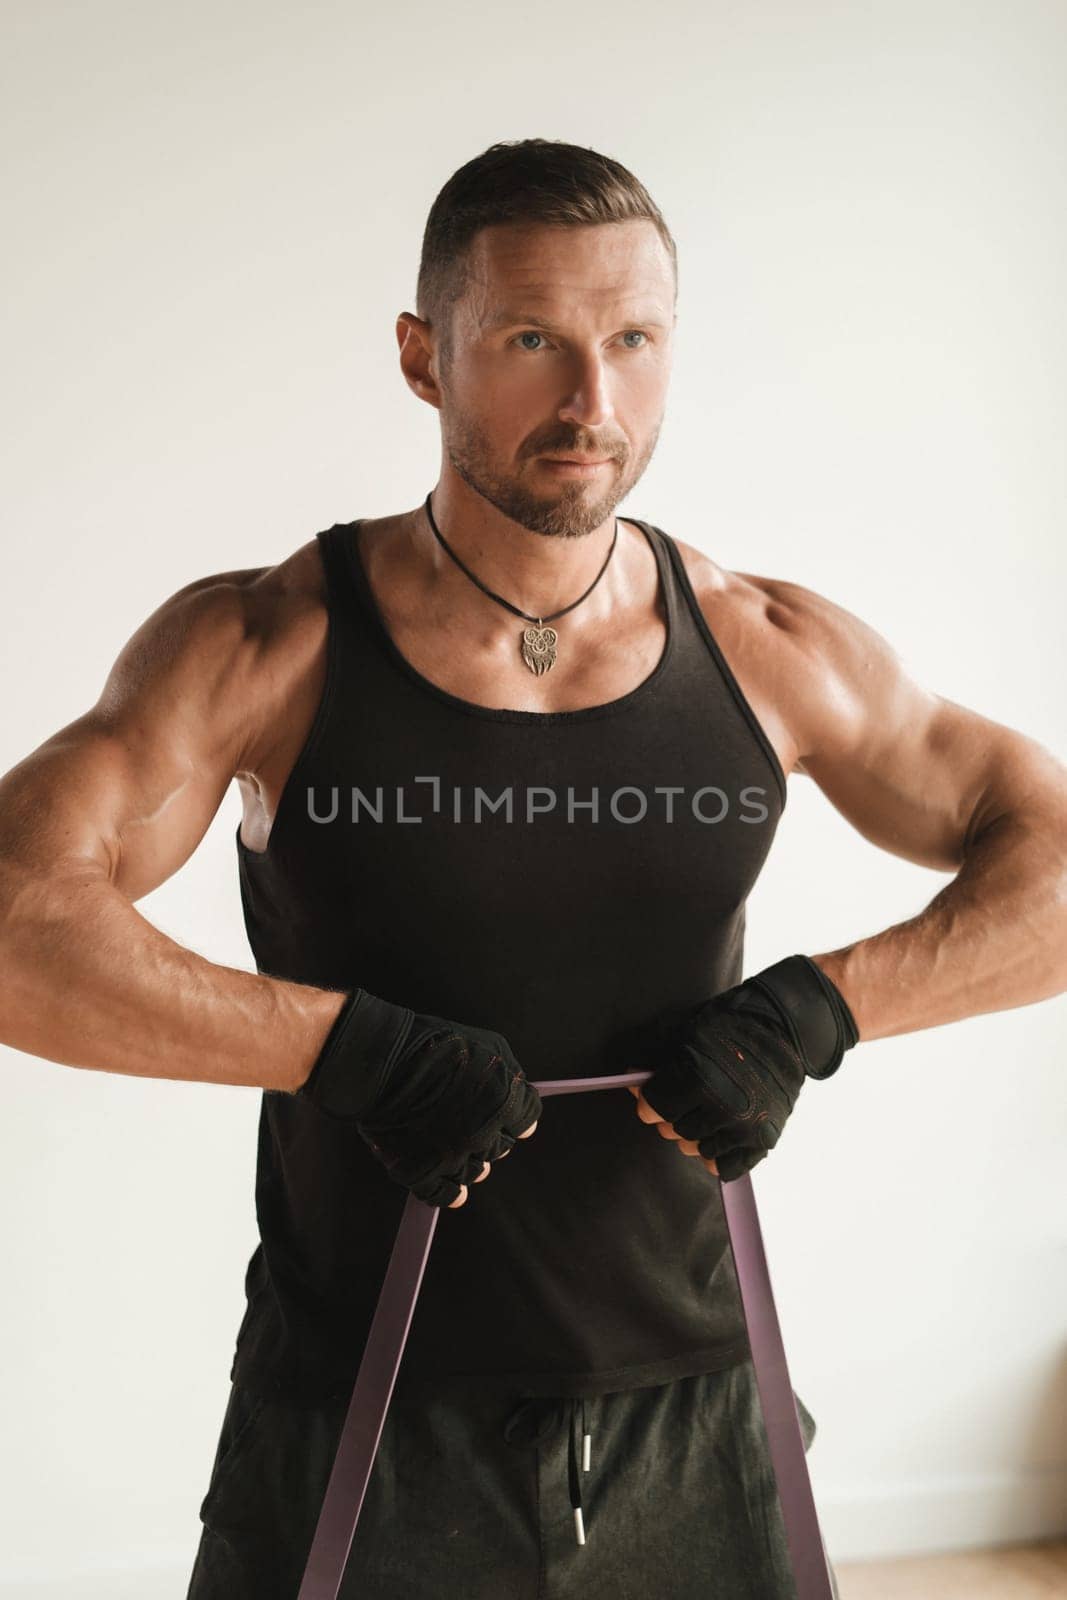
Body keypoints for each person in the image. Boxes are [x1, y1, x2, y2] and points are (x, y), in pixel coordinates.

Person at [1, 137, 1064, 1600]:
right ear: (422, 357)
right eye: (530, 341)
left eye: (633, 340)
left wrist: (820, 1008)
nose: (593, 402)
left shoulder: (764, 647)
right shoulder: (266, 646)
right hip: (361, 1416)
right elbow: (15, 923)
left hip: (702, 1407)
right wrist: (341, 1047)